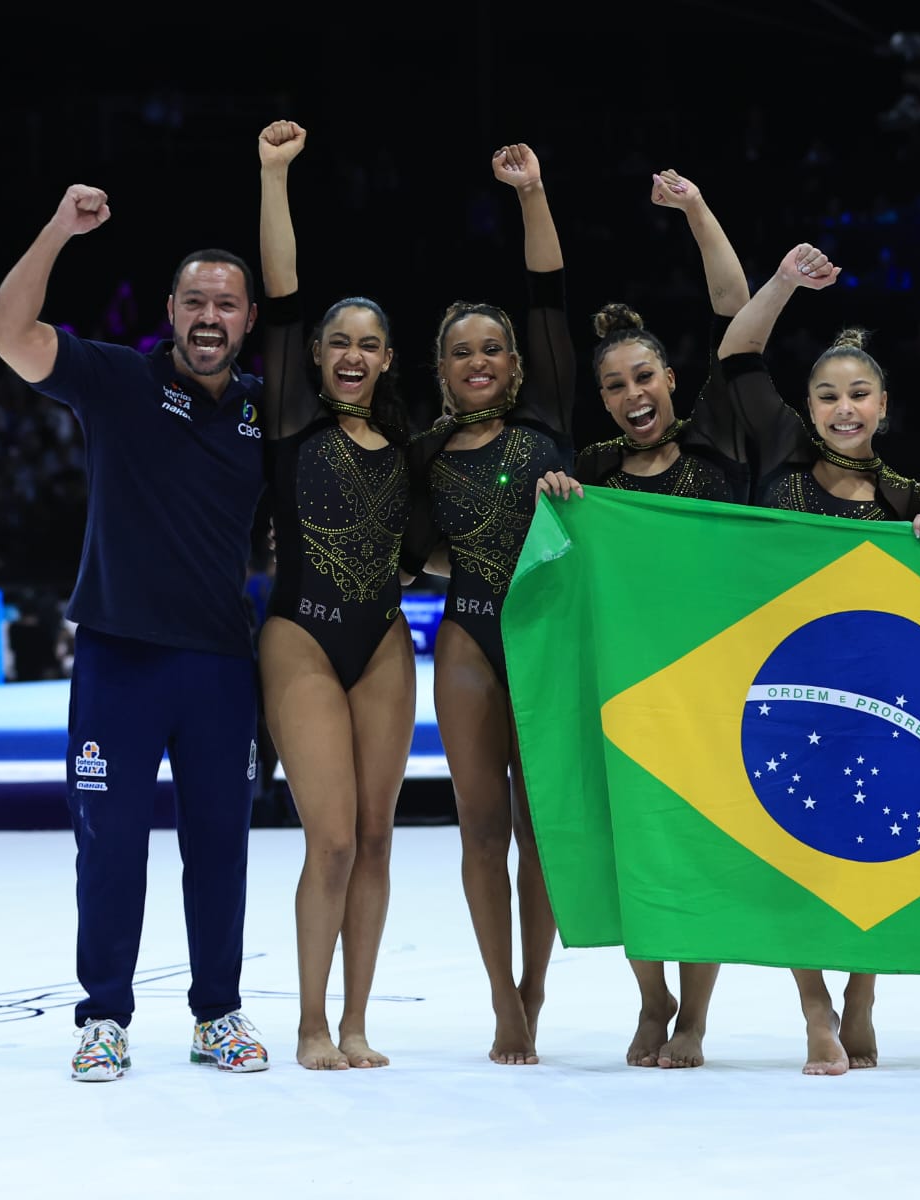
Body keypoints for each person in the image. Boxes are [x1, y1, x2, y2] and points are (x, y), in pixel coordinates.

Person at [0, 186, 270, 1080]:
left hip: (221, 665)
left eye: (227, 303)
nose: (210, 317)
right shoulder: (116, 379)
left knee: (220, 848)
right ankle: (104, 1015)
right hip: (118, 659)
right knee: (109, 846)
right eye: (196, 301)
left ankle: (217, 1013)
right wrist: (57, 231)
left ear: (249, 319)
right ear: (171, 311)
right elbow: (5, 332)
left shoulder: (268, 412)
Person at [719, 241, 920, 1076]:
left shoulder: (908, 498)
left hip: (880, 702)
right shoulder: (782, 447)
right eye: (827, 395)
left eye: (858, 395)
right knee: (794, 852)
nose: (843, 408)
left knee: (865, 850)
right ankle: (815, 1009)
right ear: (808, 407)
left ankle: (861, 992)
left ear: (883, 406)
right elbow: (738, 353)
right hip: (786, 694)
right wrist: (783, 282)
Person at [537, 167, 751, 1070]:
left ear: (671, 378)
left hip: (714, 685)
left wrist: (698, 211)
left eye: (644, 377)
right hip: (628, 688)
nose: (633, 394)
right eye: (615, 384)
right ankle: (652, 995)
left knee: (697, 848)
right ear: (603, 398)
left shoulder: (716, 439)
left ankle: (693, 1017)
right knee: (635, 845)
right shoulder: (593, 475)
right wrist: (556, 498)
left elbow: (735, 314)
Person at [401, 142, 574, 1065]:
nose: (479, 361)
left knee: (540, 832)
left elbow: (547, 293)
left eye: (492, 349)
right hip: (470, 634)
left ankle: (536, 987)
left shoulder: (548, 418)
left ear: (515, 363)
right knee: (482, 827)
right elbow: (411, 552)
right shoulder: (426, 453)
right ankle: (502, 999)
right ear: (442, 367)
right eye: (461, 351)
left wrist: (532, 193)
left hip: (547, 636)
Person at [256, 121, 416, 1070]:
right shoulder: (289, 417)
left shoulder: (410, 450)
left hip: (385, 641)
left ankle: (357, 1024)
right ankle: (311, 1023)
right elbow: (280, 293)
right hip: (302, 638)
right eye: (338, 343)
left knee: (378, 839)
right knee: (333, 839)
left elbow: (438, 549)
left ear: (388, 359)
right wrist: (274, 176)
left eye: (370, 345)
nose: (353, 355)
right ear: (316, 355)